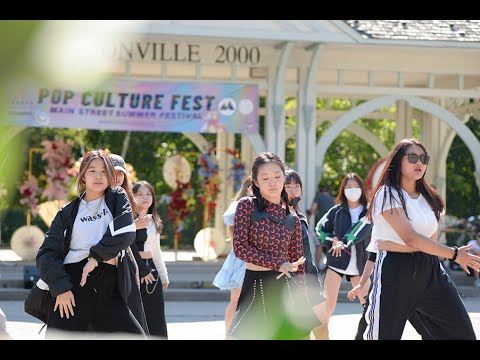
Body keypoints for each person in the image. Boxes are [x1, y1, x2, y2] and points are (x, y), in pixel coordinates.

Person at [361, 138, 479, 340]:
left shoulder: (430, 197)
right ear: (398, 161)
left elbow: (429, 243)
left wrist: (438, 253)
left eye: (424, 158)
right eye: (413, 157)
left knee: (462, 334)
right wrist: (454, 254)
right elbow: (411, 239)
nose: (420, 163)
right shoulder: (387, 194)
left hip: (430, 271)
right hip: (395, 271)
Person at [36, 150, 145, 338]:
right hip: (73, 285)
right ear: (83, 175)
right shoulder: (67, 212)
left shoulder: (117, 198)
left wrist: (95, 257)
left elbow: (125, 233)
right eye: (92, 170)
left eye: (104, 171)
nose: (98, 176)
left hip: (109, 287)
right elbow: (46, 253)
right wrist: (61, 288)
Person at [227, 152, 307, 340]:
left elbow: (298, 262)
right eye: (265, 178)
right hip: (255, 284)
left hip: (285, 289)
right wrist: (278, 263)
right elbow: (240, 248)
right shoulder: (246, 206)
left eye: (278, 177)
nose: (272, 183)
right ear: (255, 181)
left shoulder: (292, 218)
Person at [314, 172, 373, 340]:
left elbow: (361, 229)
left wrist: (344, 242)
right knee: (325, 310)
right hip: (336, 264)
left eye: (356, 187)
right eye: (349, 187)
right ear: (343, 190)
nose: (353, 190)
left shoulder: (369, 211)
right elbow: (319, 229)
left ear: (361, 189)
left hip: (360, 266)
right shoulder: (336, 211)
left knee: (370, 308)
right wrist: (333, 240)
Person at [284, 169, 327, 339]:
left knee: (322, 327)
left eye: (297, 186)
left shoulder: (300, 215)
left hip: (309, 278)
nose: (293, 190)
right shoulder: (277, 216)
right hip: (291, 282)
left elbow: (306, 253)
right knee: (302, 331)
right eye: (288, 186)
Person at [111, 153, 150, 335]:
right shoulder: (93, 200)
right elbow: (106, 234)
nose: (117, 177)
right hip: (102, 264)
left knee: (133, 315)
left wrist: (136, 267)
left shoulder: (128, 200)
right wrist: (135, 226)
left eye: (120, 173)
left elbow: (128, 241)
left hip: (125, 263)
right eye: (112, 172)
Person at [212, 175, 253, 334]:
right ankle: (228, 334)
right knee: (236, 300)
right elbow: (229, 219)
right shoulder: (239, 205)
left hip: (259, 256)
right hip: (241, 257)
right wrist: (249, 200)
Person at [131, 180, 169, 339]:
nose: (144, 198)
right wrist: (140, 270)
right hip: (134, 270)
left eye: (148, 194)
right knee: (138, 315)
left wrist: (163, 274)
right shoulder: (128, 219)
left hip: (151, 269)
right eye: (139, 194)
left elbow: (156, 250)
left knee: (156, 315)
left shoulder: (154, 221)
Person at [307, 187, 335, 267]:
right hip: (332, 225)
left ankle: (317, 265)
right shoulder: (332, 198)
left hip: (322, 225)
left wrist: (307, 219)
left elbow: (313, 209)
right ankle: (330, 266)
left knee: (319, 245)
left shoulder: (318, 197)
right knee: (330, 245)